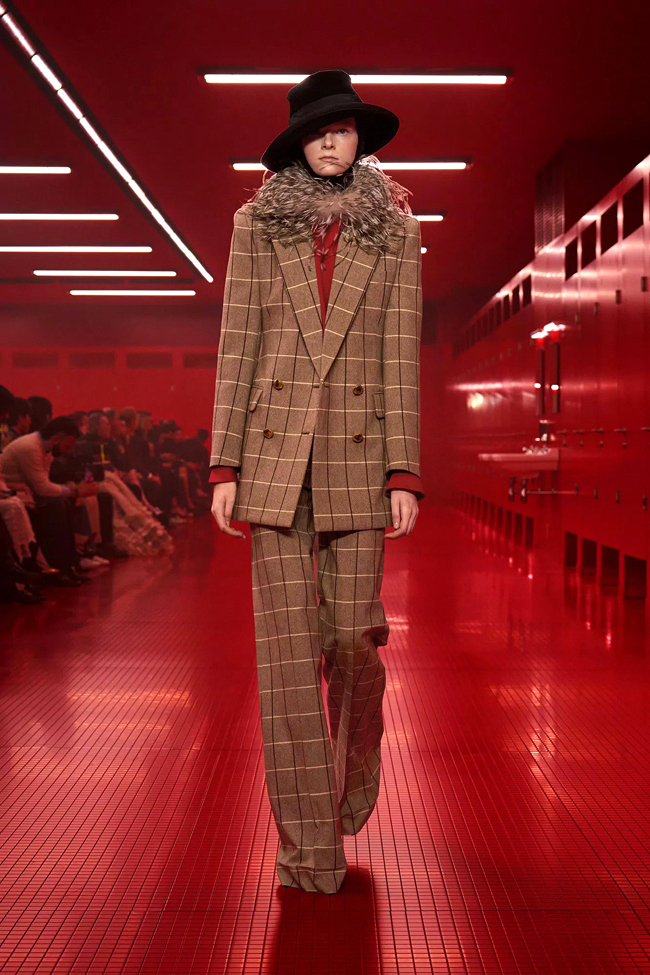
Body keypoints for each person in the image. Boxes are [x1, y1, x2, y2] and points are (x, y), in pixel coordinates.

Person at [209, 70, 423, 894]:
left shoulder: (395, 231)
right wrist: (225, 462)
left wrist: (404, 468)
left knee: (352, 639)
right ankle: (309, 849)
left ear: (361, 140)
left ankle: (355, 760)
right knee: (287, 662)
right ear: (297, 142)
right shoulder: (256, 224)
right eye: (317, 130)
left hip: (360, 458)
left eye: (344, 129)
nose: (331, 141)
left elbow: (399, 354)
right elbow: (239, 342)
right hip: (273, 457)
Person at [0, 415, 98, 586]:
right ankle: (59, 567)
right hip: (12, 493)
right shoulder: (30, 448)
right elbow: (42, 487)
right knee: (56, 506)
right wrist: (75, 491)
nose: (67, 451)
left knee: (62, 503)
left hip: (27, 493)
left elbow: (42, 485)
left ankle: (69, 565)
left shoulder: (45, 449)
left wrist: (71, 492)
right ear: (55, 439)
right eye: (67, 446)